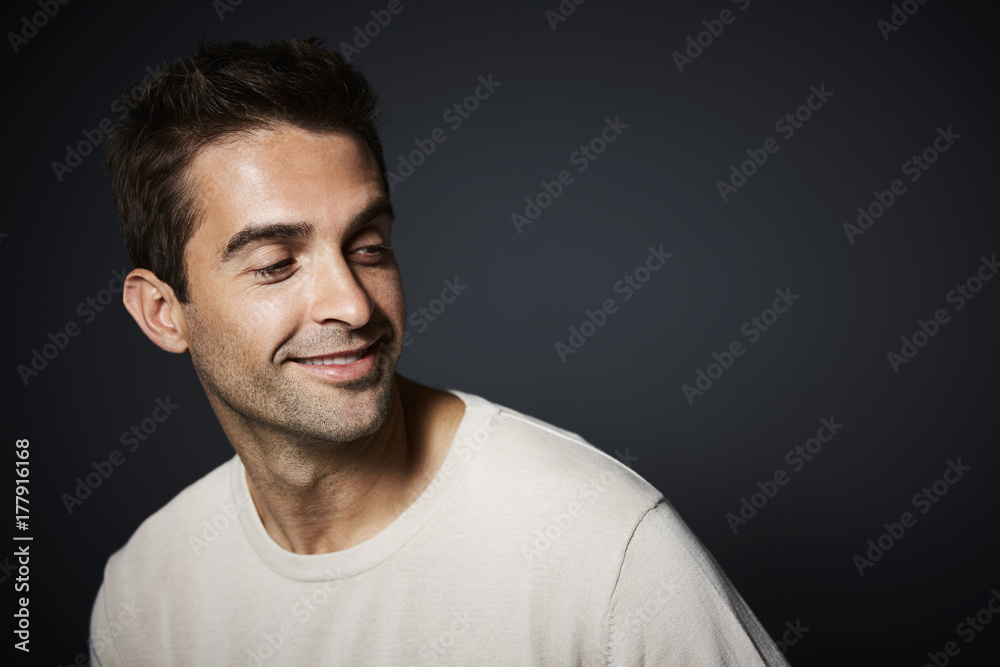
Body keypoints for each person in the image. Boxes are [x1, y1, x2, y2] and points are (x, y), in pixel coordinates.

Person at [90, 37, 790, 666]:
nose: (355, 304)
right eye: (276, 263)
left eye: (368, 247)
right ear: (162, 311)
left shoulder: (605, 550)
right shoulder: (144, 592)